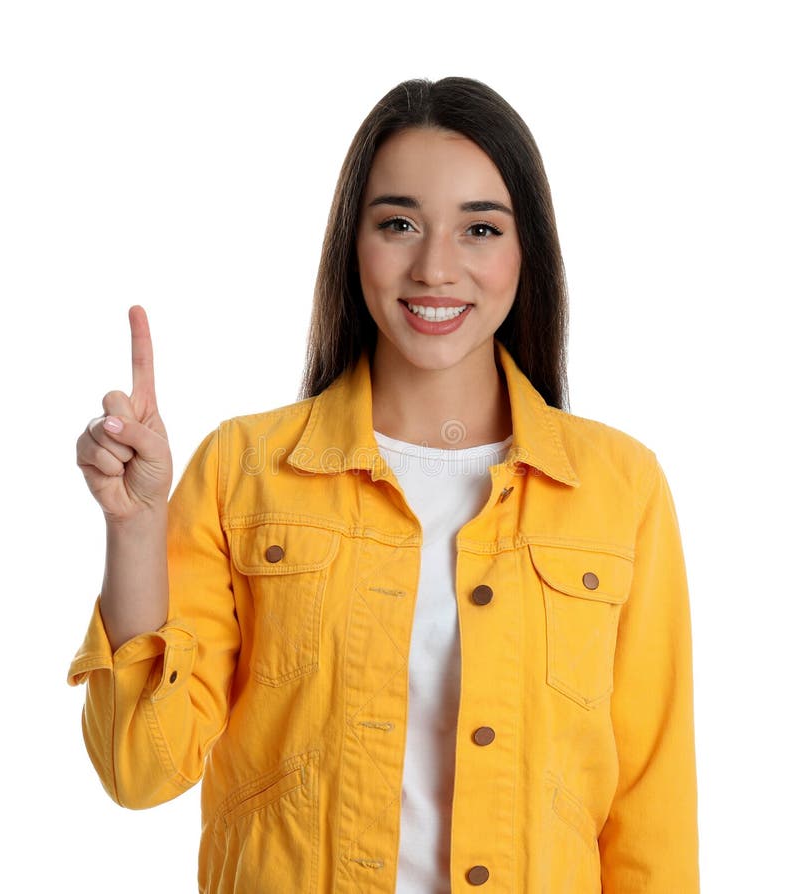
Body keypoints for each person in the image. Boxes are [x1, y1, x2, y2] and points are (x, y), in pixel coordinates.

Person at [69, 77, 699, 892]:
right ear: (352, 245)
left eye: (480, 228)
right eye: (398, 224)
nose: (436, 267)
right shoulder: (243, 470)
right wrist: (134, 527)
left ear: (525, 251)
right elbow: (138, 769)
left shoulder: (621, 488)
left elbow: (652, 820)